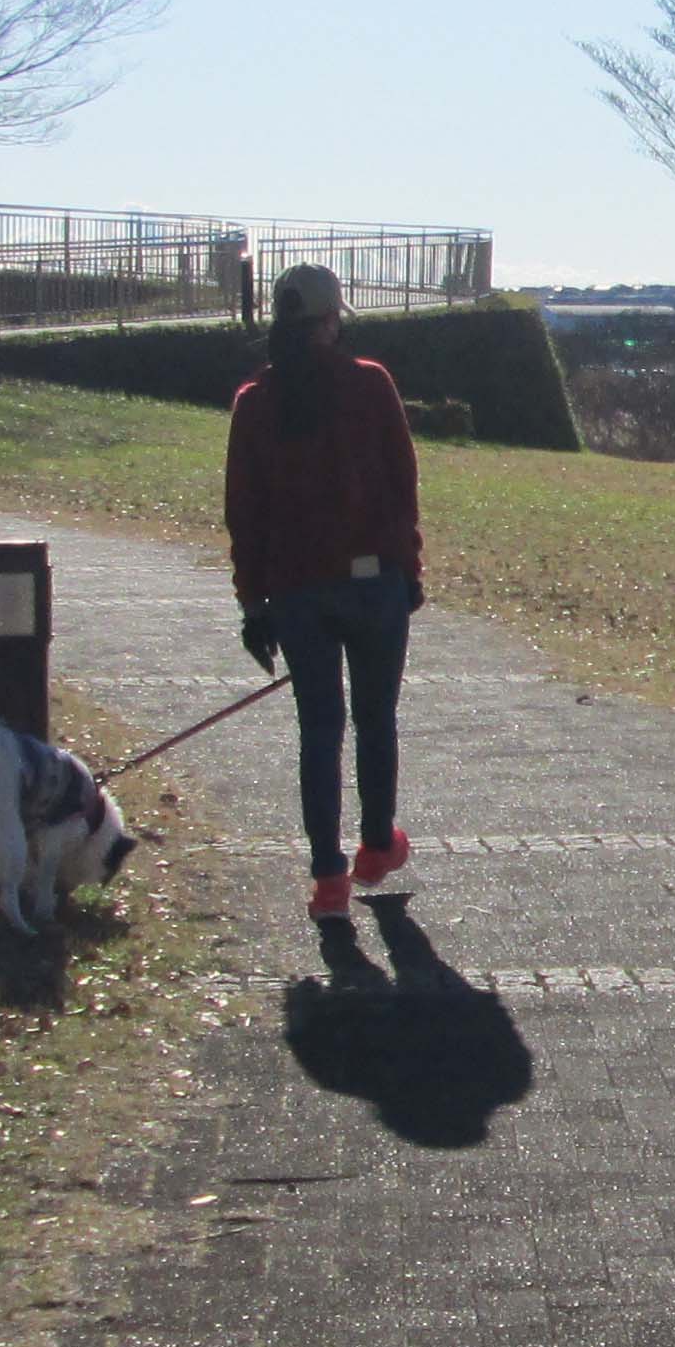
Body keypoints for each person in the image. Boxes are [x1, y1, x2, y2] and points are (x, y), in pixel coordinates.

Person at [224, 262, 425, 918]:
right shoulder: (370, 384)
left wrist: (252, 601)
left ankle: (328, 878)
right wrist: (409, 569)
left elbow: (244, 512)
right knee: (375, 719)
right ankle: (377, 845)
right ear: (332, 320)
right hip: (373, 583)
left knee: (319, 729)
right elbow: (402, 485)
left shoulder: (256, 402)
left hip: (295, 589)